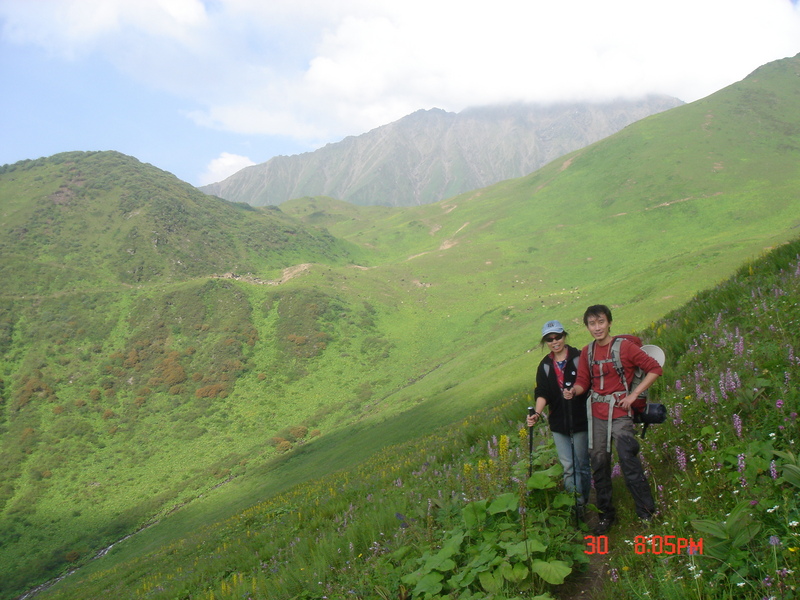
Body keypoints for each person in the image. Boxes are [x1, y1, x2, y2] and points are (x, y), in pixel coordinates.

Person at [563, 305, 662, 534]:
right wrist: (574, 392)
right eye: (592, 323)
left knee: (628, 458)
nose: (597, 328)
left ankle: (646, 512)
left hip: (620, 412)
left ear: (609, 322)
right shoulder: (587, 352)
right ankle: (606, 514)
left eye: (600, 322)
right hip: (596, 413)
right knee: (598, 463)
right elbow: (583, 382)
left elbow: (654, 368)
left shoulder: (625, 348)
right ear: (587, 326)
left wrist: (634, 395)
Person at [527, 320, 591, 513]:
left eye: (558, 337)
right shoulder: (545, 366)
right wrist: (537, 414)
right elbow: (542, 392)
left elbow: (588, 383)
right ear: (545, 341)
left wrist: (575, 392)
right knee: (568, 467)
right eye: (550, 339)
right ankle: (576, 508)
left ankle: (585, 502)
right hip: (558, 422)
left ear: (565, 336)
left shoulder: (580, 358)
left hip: (581, 419)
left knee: (582, 465)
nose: (555, 341)